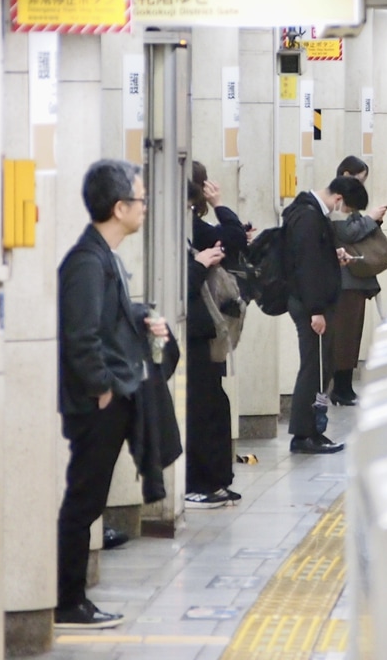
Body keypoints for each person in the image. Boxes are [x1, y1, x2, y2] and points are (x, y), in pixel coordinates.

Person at [56, 159, 168, 629]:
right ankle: (68, 602)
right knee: (83, 501)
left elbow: (109, 315)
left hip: (112, 394)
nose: (144, 208)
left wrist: (143, 316)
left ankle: (73, 598)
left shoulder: (106, 256)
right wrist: (103, 388)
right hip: (96, 403)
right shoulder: (86, 262)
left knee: (89, 499)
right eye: (140, 200)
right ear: (119, 207)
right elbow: (80, 335)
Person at [183, 162, 250, 508]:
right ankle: (198, 481)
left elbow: (237, 241)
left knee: (216, 405)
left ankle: (218, 478)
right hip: (190, 330)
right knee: (202, 406)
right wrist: (221, 204)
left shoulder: (191, 226)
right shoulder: (180, 228)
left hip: (205, 329)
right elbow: (235, 238)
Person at [283, 176, 365, 454]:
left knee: (322, 367)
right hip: (311, 306)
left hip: (314, 303)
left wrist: (334, 254)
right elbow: (306, 266)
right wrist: (316, 311)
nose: (344, 214)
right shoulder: (308, 217)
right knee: (314, 369)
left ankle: (314, 431)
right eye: (348, 210)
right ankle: (304, 434)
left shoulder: (311, 213)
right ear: (338, 198)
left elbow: (313, 256)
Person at [329, 156, 387, 407]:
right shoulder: (337, 202)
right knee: (344, 337)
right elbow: (347, 232)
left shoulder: (346, 202)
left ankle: (345, 387)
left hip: (354, 281)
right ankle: (340, 389)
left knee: (352, 337)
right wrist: (371, 218)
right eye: (358, 179)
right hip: (345, 282)